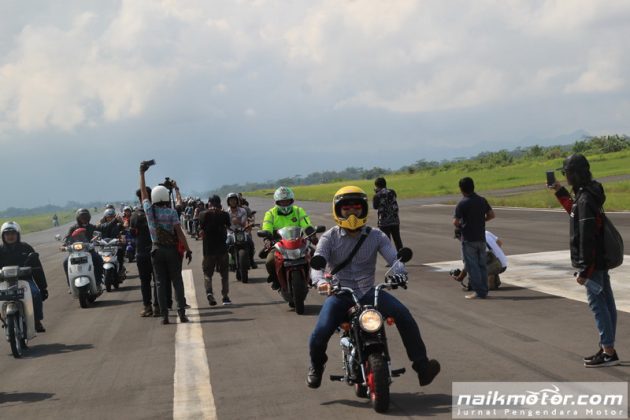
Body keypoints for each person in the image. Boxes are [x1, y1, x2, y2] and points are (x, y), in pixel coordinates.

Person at [306, 186, 440, 389]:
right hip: (340, 294)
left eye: (356, 208)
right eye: (346, 209)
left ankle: (422, 367)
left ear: (364, 210)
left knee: (404, 315)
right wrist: (321, 283)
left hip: (370, 292)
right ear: (337, 211)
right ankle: (316, 366)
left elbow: (395, 260)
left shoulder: (376, 236)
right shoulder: (329, 238)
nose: (352, 214)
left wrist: (399, 273)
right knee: (320, 332)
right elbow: (317, 264)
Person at [550, 153, 619, 367]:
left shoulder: (585, 199)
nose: (566, 176)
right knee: (606, 302)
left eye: (567, 173)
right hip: (599, 259)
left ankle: (608, 352)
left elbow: (587, 238)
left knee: (599, 305)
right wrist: (559, 191)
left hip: (593, 262)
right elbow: (575, 212)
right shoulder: (588, 193)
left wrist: (584, 270)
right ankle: (607, 347)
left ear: (575, 173)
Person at [139, 162, 192, 324]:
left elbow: (143, 194)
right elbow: (179, 233)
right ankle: (182, 313)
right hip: (172, 251)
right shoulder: (171, 212)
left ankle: (164, 316)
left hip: (156, 250)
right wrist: (188, 249)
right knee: (177, 281)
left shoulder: (149, 211)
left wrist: (142, 174)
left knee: (160, 283)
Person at [261, 186, 313, 290]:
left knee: (314, 254)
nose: (285, 203)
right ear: (277, 202)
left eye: (287, 201)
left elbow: (306, 223)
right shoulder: (270, 213)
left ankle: (313, 277)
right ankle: (275, 279)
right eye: (282, 201)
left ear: (291, 200)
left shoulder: (298, 210)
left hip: (298, 242)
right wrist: (267, 237)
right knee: (269, 260)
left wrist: (312, 233)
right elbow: (267, 226)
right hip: (279, 243)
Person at [0, 222, 48, 333]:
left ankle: (36, 320)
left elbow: (37, 268)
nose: (10, 236)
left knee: (35, 294)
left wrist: (43, 288)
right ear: (3, 236)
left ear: (18, 235)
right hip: (3, 282)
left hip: (25, 280)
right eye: (7, 234)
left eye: (13, 233)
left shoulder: (26, 248)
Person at [453, 177, 495, 299]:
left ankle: (479, 292)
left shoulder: (462, 203)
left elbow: (456, 222)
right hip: (481, 237)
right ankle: (484, 290)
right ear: (473, 186)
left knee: (473, 266)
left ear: (461, 189)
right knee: (482, 265)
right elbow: (491, 215)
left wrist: (463, 225)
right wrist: (481, 220)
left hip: (468, 239)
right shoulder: (482, 200)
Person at [131, 187, 161, 317]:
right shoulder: (157, 212)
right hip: (155, 251)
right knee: (157, 280)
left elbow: (133, 233)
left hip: (141, 252)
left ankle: (148, 307)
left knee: (145, 282)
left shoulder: (134, 216)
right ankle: (157, 307)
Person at [199, 195, 232, 306]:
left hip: (208, 250)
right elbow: (228, 225)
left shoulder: (203, 214)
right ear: (220, 203)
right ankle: (225, 297)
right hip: (222, 249)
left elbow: (201, 227)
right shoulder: (224, 214)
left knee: (207, 274)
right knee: (224, 274)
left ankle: (209, 293)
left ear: (209, 203)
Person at [63, 209, 104, 288]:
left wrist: (98, 241)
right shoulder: (73, 228)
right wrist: (64, 245)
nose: (84, 219)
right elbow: (67, 238)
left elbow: (98, 235)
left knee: (98, 259)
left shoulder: (92, 227)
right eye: (82, 217)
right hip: (75, 252)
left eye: (85, 217)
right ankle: (70, 285)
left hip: (89, 251)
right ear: (78, 218)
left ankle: (98, 282)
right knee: (65, 262)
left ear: (89, 217)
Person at [373, 177, 403, 250]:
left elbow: (375, 207)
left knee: (386, 241)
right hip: (395, 220)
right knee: (397, 239)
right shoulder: (392, 191)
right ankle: (401, 255)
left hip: (384, 222)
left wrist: (377, 193)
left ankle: (390, 255)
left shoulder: (377, 195)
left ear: (376, 186)